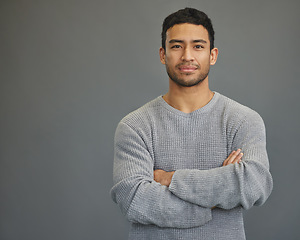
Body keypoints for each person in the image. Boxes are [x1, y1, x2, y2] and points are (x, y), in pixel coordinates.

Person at [110, 7, 273, 240]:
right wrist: (216, 198)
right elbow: (135, 199)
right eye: (176, 46)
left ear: (213, 55)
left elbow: (254, 185)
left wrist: (170, 179)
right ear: (162, 54)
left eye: (198, 46)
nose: (187, 56)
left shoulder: (243, 120)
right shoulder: (135, 126)